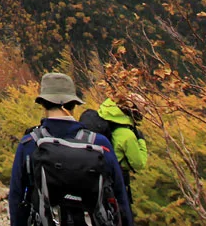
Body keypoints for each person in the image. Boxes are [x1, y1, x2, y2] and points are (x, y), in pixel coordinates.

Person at [8, 73, 134, 226]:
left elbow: (16, 198)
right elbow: (120, 197)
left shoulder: (29, 144)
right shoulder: (99, 143)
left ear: (43, 103)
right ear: (74, 104)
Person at [97, 93, 148, 201]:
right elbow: (139, 163)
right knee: (124, 215)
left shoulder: (104, 121)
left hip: (98, 179)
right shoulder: (126, 134)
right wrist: (141, 141)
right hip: (115, 181)